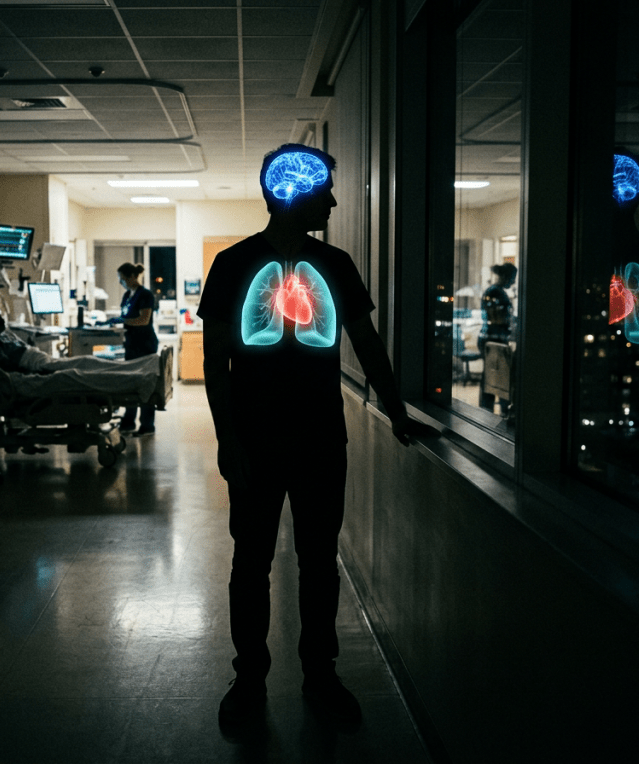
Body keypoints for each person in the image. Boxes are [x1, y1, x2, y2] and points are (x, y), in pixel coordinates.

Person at [197, 144, 429, 729]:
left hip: (320, 438)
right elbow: (215, 360)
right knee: (252, 562)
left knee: (318, 561)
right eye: (324, 191)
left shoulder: (336, 263)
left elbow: (366, 343)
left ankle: (319, 675)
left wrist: (397, 412)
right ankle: (250, 677)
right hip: (257, 440)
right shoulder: (232, 264)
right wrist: (228, 441)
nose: (332, 202)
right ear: (291, 193)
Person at [0, 303, 127, 374]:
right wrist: (29, 372)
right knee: (83, 363)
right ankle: (124, 371)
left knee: (84, 362)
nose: (2, 320)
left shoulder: (3, 335)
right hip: (39, 365)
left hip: (42, 359)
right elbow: (2, 366)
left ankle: (124, 369)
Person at [115, 263, 159, 435]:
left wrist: (121, 321)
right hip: (131, 344)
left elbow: (143, 320)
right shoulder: (127, 295)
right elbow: (125, 316)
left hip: (144, 344)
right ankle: (128, 421)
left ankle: (147, 425)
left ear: (132, 277)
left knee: (145, 384)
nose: (121, 283)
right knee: (131, 383)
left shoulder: (145, 295)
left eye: (123, 279)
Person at [477, 262, 517, 415]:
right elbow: (500, 318)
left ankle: (486, 412)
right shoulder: (496, 293)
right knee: (497, 379)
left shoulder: (494, 291)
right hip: (494, 339)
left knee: (492, 378)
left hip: (490, 339)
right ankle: (493, 412)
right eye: (512, 278)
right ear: (506, 277)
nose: (513, 282)